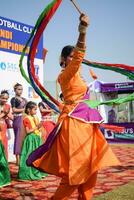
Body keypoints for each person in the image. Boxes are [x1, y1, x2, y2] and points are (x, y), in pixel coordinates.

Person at [27, 14, 120, 199]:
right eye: (70, 56)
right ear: (64, 58)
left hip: (86, 122)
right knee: (77, 172)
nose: (74, 58)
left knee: (92, 170)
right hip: (74, 124)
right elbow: (79, 55)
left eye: (73, 56)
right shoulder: (66, 75)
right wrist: (82, 32)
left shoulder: (78, 77)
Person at [18, 101, 47, 180]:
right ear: (28, 110)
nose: (36, 111)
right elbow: (28, 131)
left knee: (38, 156)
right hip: (31, 139)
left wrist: (40, 127)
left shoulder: (36, 118)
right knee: (29, 155)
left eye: (36, 109)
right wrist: (36, 127)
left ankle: (38, 172)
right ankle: (27, 173)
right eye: (34, 109)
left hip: (37, 138)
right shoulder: (26, 119)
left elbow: (38, 128)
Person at [10, 83, 27, 165]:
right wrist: (24, 109)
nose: (20, 91)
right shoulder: (13, 99)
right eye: (18, 89)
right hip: (17, 119)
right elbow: (14, 110)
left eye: (21, 89)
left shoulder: (25, 99)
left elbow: (27, 110)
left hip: (24, 119)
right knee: (18, 139)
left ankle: (24, 157)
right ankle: (17, 159)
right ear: (15, 90)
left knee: (24, 138)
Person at [0, 90, 13, 158]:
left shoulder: (7, 106)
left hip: (3, 126)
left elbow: (10, 116)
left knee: (3, 144)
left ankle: (3, 164)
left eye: (6, 99)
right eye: (3, 98)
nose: (5, 100)